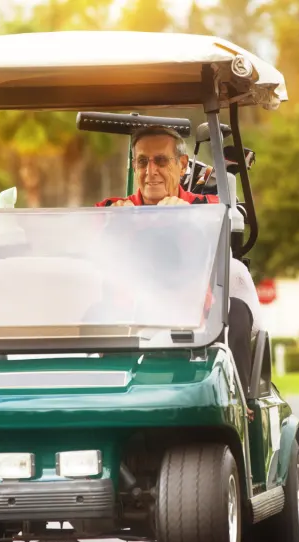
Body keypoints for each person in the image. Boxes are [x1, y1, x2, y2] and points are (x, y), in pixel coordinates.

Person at [99, 125, 263, 405]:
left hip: (195, 317)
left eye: (160, 161)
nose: (150, 171)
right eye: (142, 161)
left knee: (236, 312)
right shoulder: (113, 208)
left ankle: (239, 406)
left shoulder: (205, 205)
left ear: (182, 164)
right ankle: (99, 401)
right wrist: (120, 225)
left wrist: (185, 219)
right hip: (130, 317)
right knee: (93, 313)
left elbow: (218, 231)